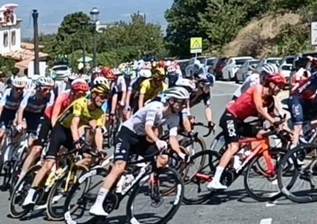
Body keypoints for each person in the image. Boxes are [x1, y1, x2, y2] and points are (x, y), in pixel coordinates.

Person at [88, 86, 190, 217]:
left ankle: (131, 178)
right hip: (126, 134)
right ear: (171, 101)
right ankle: (98, 203)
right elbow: (148, 128)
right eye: (182, 102)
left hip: (140, 138)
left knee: (163, 159)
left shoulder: (175, 117)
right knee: (119, 167)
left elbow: (172, 138)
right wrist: (157, 140)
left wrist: (180, 154)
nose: (184, 106)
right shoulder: (155, 107)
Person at [23, 83, 110, 208]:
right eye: (101, 96)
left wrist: (100, 150)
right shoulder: (80, 102)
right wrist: (77, 141)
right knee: (49, 163)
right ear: (94, 95)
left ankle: (62, 177)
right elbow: (74, 124)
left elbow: (98, 131)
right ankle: (30, 195)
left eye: (105, 97)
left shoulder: (99, 112)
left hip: (71, 134)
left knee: (87, 157)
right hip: (60, 130)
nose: (103, 100)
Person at [207, 72, 287, 190]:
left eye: (282, 87)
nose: (280, 89)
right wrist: (272, 121)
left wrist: (282, 128)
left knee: (261, 134)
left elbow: (271, 114)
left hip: (238, 121)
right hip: (230, 116)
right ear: (271, 84)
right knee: (233, 146)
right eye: (279, 86)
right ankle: (215, 180)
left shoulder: (269, 100)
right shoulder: (257, 88)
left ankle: (240, 156)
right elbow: (259, 108)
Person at [15, 77, 55, 180]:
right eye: (45, 89)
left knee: (32, 143)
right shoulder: (30, 93)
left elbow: (47, 113)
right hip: (26, 114)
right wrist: (20, 122)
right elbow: (21, 109)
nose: (48, 92)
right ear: (38, 88)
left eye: (50, 89)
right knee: (20, 132)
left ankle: (26, 161)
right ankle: (15, 152)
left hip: (38, 116)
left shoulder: (50, 95)